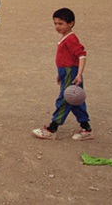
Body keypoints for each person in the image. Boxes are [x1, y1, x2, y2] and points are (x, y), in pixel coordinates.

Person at [33, 8, 93, 141]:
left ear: (71, 23)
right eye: (55, 23)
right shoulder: (65, 37)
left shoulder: (71, 39)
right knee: (75, 100)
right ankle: (86, 128)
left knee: (65, 99)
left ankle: (52, 129)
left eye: (60, 23)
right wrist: (60, 74)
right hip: (65, 72)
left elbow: (82, 55)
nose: (57, 27)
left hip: (70, 73)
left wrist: (78, 74)